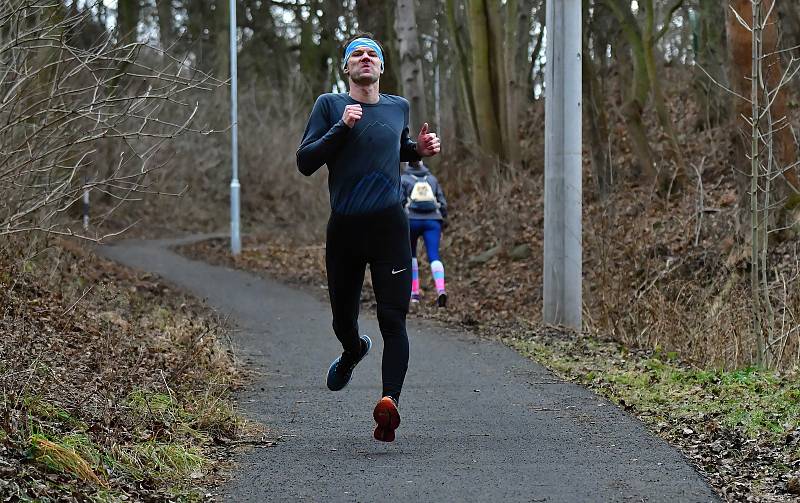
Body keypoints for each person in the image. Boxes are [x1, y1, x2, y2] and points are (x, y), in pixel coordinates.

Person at [296, 33, 440, 443]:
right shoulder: (330, 106)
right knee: (343, 318)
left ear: (381, 66)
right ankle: (352, 349)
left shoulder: (398, 107)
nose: (364, 58)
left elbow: (393, 146)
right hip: (345, 229)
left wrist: (419, 149)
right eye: (356, 54)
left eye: (371, 53)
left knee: (393, 318)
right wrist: (340, 128)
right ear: (346, 68)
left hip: (391, 226)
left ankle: (388, 404)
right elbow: (306, 162)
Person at [401, 160, 448, 307]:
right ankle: (441, 289)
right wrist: (442, 218)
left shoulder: (404, 179)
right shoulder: (432, 179)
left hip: (411, 220)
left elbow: (400, 201)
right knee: (434, 256)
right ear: (421, 162)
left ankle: (414, 294)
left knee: (411, 256)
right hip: (433, 221)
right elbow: (442, 203)